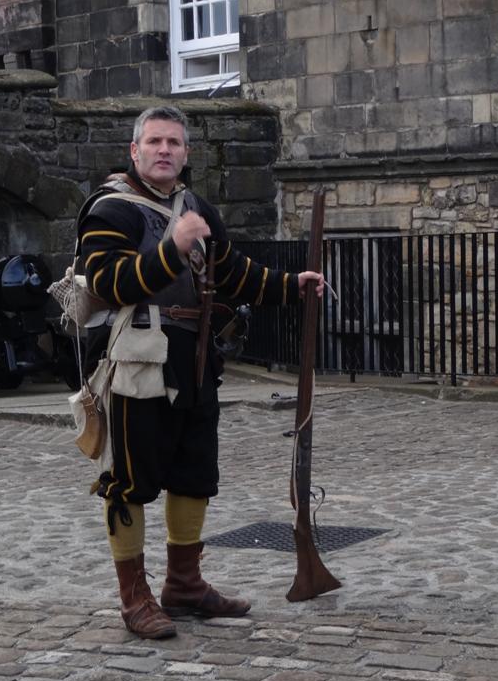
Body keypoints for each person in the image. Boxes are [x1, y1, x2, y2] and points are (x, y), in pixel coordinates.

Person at [77, 105, 324, 640]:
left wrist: (290, 286)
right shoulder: (108, 210)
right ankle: (134, 597)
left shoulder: (196, 207)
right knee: (130, 481)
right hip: (137, 362)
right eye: (155, 142)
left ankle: (184, 585)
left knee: (194, 474)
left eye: (174, 143)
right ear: (134, 151)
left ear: (186, 153)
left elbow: (232, 272)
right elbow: (110, 282)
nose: (164, 150)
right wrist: (173, 247)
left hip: (195, 357)